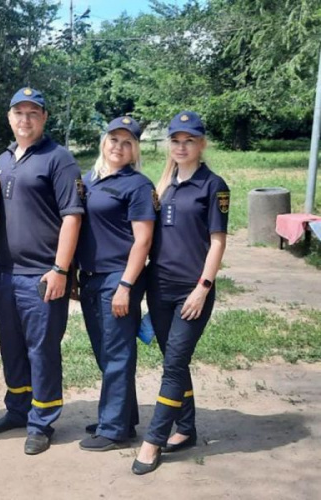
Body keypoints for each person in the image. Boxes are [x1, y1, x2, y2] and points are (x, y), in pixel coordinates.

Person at [0, 87, 84, 455]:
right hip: (6, 274)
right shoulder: (2, 159)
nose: (25, 120)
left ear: (43, 118)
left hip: (42, 274)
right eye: (18, 113)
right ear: (9, 118)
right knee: (11, 345)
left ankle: (41, 421)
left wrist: (60, 269)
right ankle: (17, 409)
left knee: (42, 350)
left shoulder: (59, 159)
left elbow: (72, 217)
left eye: (33, 113)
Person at [132, 111, 230, 475]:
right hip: (158, 290)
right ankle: (186, 428)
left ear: (201, 144)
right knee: (175, 361)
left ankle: (153, 440)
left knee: (173, 364)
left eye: (190, 140)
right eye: (176, 140)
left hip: (192, 292)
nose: (182, 146)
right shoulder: (162, 186)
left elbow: (217, 243)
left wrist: (202, 289)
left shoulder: (213, 185)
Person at [75, 117, 156, 452]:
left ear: (134, 149)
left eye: (127, 142)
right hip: (91, 277)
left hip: (118, 279)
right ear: (103, 142)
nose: (118, 147)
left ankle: (114, 429)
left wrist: (125, 285)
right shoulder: (88, 179)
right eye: (114, 140)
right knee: (105, 352)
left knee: (118, 353)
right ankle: (121, 415)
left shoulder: (137, 185)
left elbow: (143, 241)